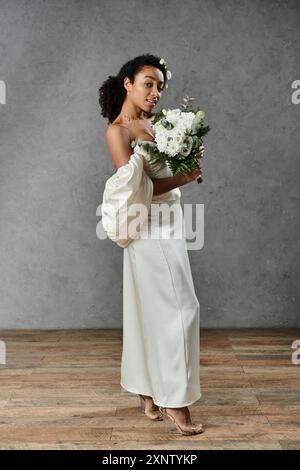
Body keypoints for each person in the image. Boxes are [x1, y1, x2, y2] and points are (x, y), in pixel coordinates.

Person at [98, 54, 204, 435]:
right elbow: (137, 189)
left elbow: (167, 170)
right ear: (128, 83)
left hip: (171, 222)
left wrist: (188, 155)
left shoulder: (158, 123)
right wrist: (186, 177)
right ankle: (177, 402)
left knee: (148, 309)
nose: (155, 92)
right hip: (147, 226)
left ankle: (147, 391)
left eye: (160, 85)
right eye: (148, 83)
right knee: (181, 307)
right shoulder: (119, 131)